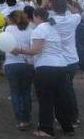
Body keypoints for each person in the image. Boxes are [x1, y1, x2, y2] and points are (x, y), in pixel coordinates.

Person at [16, 8, 74, 137]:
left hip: (46, 68)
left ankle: (46, 129)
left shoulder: (40, 29)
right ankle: (67, 127)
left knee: (45, 100)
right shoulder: (53, 28)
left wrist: (19, 50)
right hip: (61, 66)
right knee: (61, 99)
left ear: (37, 16)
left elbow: (35, 50)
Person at [49, 0, 82, 125]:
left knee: (65, 91)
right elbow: (77, 12)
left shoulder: (51, 21)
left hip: (59, 61)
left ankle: (71, 118)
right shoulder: (73, 19)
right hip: (73, 60)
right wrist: (66, 3)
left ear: (52, 8)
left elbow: (39, 13)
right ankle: (70, 116)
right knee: (67, 89)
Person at [4, 11, 34, 130]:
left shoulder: (9, 29)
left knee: (15, 92)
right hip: (27, 63)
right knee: (26, 92)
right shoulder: (31, 30)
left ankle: (20, 120)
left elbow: (4, 44)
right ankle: (27, 118)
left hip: (11, 63)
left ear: (12, 19)